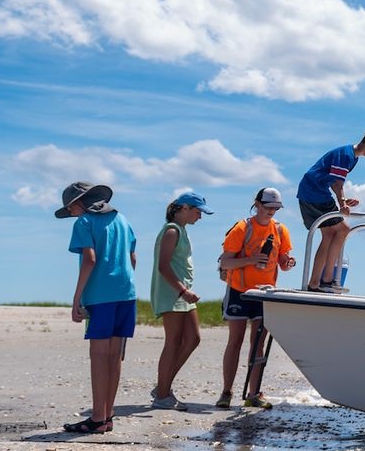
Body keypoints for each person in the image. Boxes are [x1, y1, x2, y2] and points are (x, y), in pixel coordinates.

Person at [56, 181, 136, 434]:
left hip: (100, 296)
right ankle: (108, 415)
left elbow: (89, 259)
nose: (71, 215)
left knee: (99, 356)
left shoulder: (84, 222)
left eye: (70, 210)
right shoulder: (122, 219)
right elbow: (132, 257)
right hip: (126, 294)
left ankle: (98, 417)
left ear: (77, 203)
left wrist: (77, 298)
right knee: (115, 356)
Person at [217, 187, 296, 409]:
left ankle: (254, 393)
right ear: (258, 204)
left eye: (276, 208)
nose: (272, 211)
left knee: (258, 345)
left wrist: (289, 263)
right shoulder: (242, 228)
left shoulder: (280, 230)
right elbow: (225, 262)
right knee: (235, 341)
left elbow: (284, 261)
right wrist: (251, 260)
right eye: (269, 207)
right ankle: (226, 392)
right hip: (239, 291)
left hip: (265, 292)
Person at [296, 128, 365, 292]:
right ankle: (324, 280)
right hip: (315, 192)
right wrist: (341, 203)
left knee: (330, 233)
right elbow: (337, 184)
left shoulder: (351, 157)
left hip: (312, 191)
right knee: (343, 229)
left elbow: (333, 181)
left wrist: (344, 201)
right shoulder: (346, 156)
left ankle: (318, 282)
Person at [149, 190, 211, 410]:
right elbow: (163, 266)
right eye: (197, 212)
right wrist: (183, 290)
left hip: (182, 293)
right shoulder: (171, 231)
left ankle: (162, 387)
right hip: (172, 293)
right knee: (173, 341)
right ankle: (162, 396)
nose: (200, 217)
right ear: (184, 208)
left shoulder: (182, 230)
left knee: (193, 338)